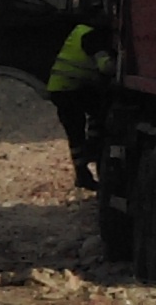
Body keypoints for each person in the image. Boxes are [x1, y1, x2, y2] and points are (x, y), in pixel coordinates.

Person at [43, 19, 113, 192]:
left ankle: (83, 171)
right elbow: (106, 67)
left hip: (64, 89)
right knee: (96, 113)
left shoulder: (81, 31)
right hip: (70, 89)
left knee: (76, 132)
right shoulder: (93, 37)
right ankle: (90, 154)